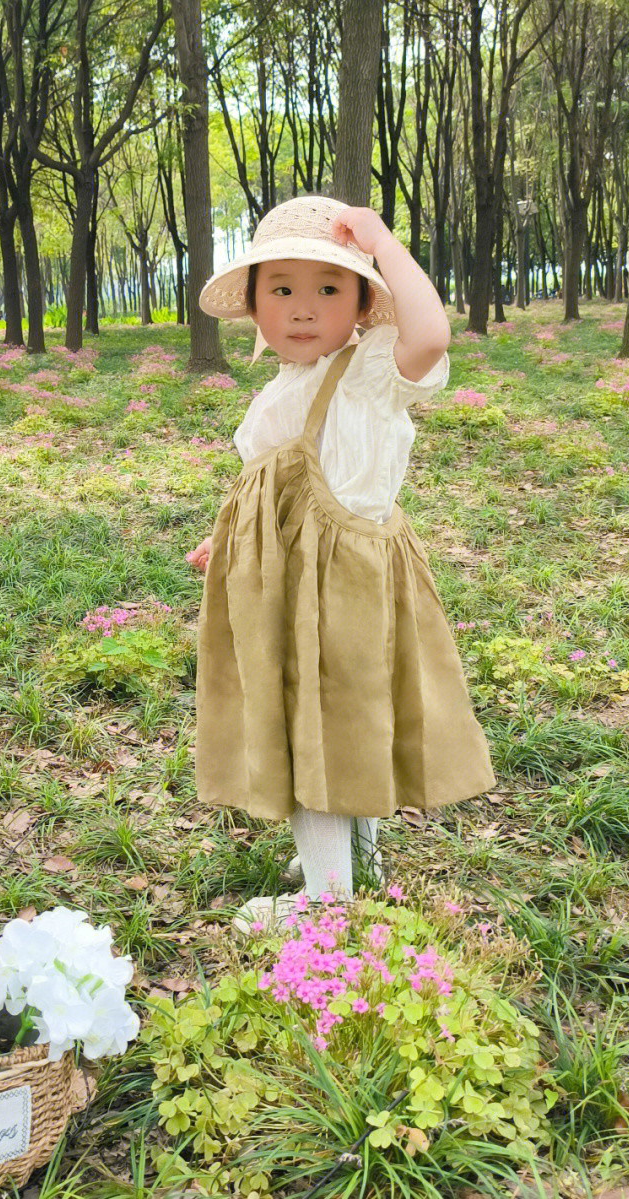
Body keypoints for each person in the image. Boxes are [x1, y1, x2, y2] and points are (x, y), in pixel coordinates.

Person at [185, 195, 495, 929]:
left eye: (328, 287)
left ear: (362, 303)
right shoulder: (273, 396)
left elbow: (430, 332)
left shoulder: (371, 372)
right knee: (327, 719)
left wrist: (383, 242)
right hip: (287, 584)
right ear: (255, 305)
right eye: (281, 288)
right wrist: (220, 539)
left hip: (347, 582)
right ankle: (349, 860)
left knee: (328, 721)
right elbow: (264, 486)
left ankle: (328, 903)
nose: (302, 307)